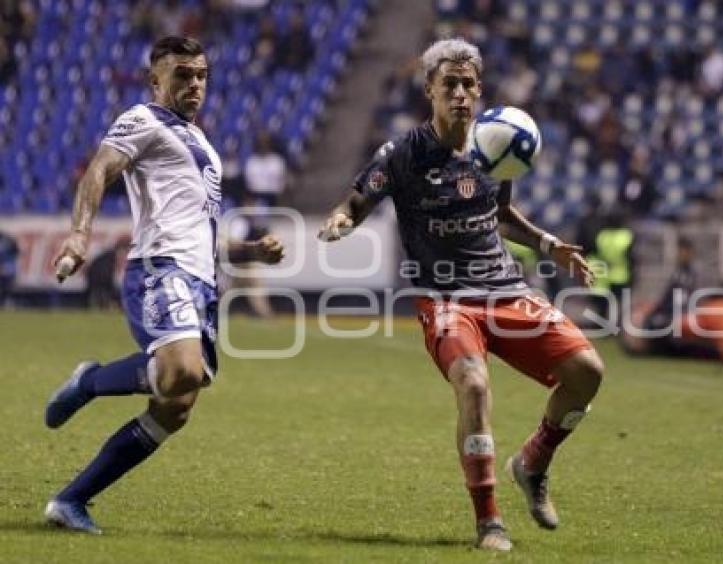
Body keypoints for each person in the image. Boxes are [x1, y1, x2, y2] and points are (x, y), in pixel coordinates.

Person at [318, 38, 603, 552]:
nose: (460, 94)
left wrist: (547, 243)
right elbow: (361, 197)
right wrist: (343, 217)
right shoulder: (405, 152)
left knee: (587, 372)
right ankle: (489, 521)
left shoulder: (494, 144)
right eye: (449, 83)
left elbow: (500, 213)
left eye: (469, 84)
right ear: (429, 89)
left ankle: (533, 463)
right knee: (472, 385)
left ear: (480, 90)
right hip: (443, 295)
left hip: (504, 287)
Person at [44, 36, 284, 534]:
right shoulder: (143, 119)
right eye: (182, 75)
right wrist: (79, 233)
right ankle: (89, 380)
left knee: (176, 407)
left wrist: (250, 252)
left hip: (202, 281)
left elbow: (202, 232)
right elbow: (100, 169)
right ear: (156, 80)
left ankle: (71, 501)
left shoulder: (206, 149)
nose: (194, 84)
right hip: (161, 268)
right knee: (179, 371)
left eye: (201, 75)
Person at [244, 131, 288, 208]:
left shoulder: (277, 161)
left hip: (274, 196)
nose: (263, 145)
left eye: (265, 142)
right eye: (260, 142)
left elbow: (283, 180)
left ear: (270, 143)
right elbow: (248, 182)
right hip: (255, 195)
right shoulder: (251, 161)